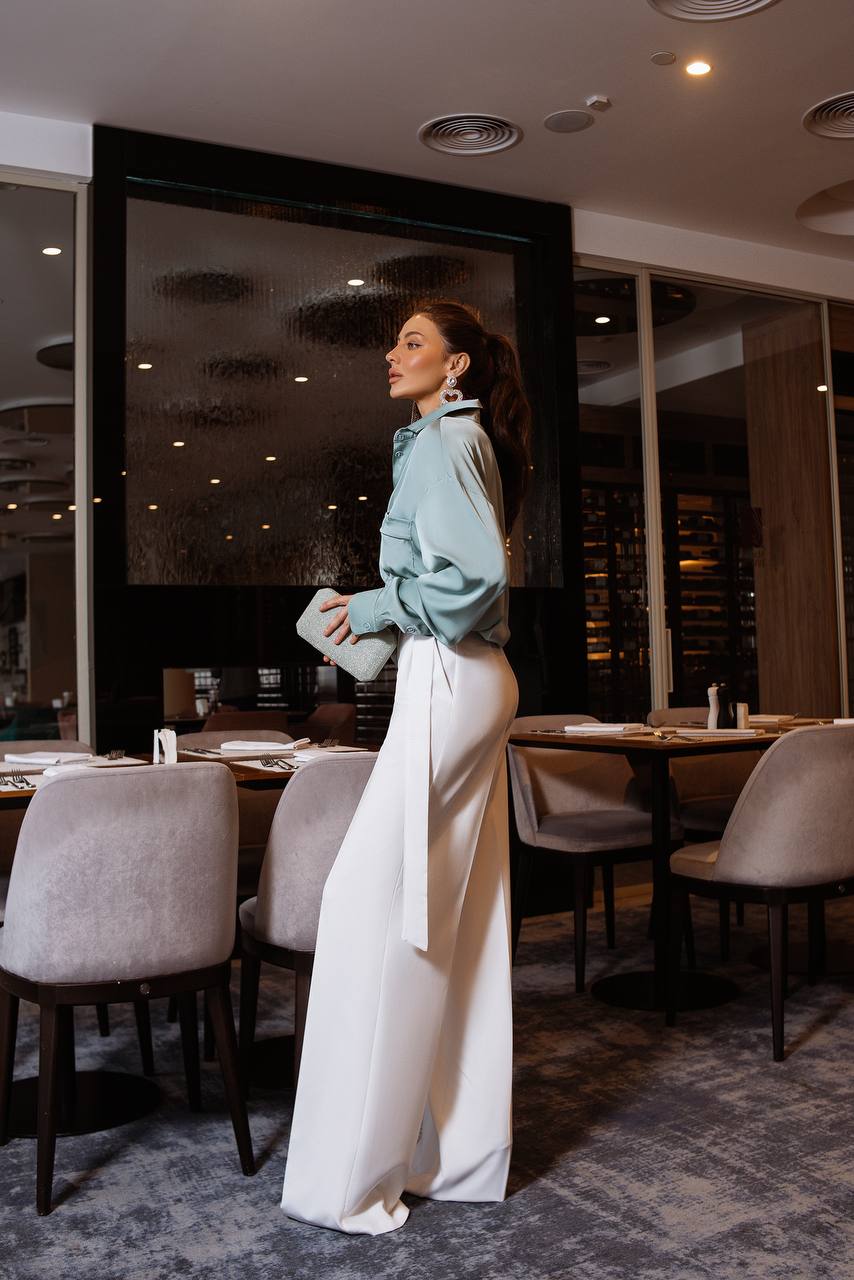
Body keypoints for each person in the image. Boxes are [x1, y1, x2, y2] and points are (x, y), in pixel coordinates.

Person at [280, 300, 531, 1235]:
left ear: (456, 364)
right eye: (395, 343)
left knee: (369, 909)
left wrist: (382, 607)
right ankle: (455, 1157)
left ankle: (353, 1181)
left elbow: (470, 584)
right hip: (465, 680)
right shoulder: (450, 440)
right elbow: (462, 580)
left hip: (449, 677)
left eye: (413, 343)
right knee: (455, 921)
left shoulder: (442, 442)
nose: (394, 355)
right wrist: (381, 608)